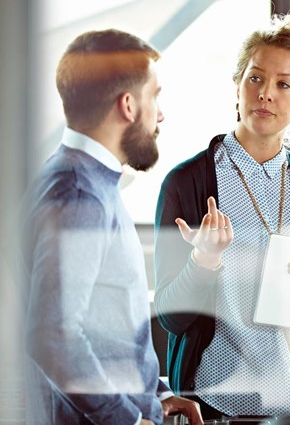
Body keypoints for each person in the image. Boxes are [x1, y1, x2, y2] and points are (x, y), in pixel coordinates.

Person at [153, 6, 290, 420]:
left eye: (284, 84)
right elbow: (171, 320)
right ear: (238, 86)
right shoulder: (187, 184)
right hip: (216, 403)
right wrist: (202, 260)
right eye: (256, 78)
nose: (266, 93)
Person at [20, 29, 202, 424]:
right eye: (155, 96)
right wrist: (129, 419)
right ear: (128, 105)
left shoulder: (85, 180)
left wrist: (156, 395)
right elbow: (53, 335)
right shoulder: (78, 194)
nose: (162, 113)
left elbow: (104, 327)